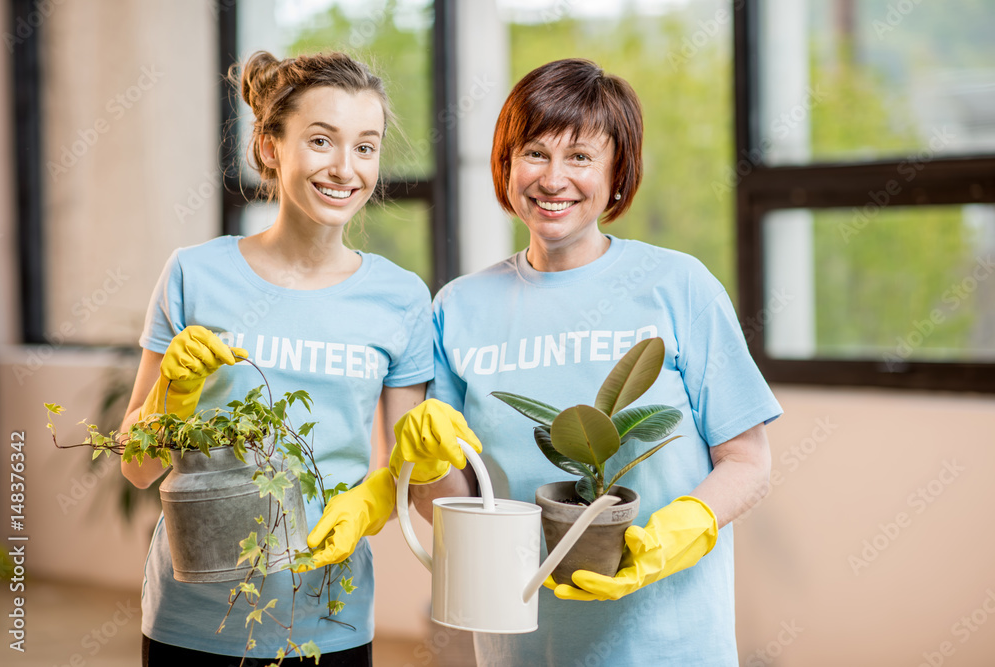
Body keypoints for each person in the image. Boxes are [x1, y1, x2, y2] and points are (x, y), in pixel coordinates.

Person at [421, 58, 784, 666]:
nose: (553, 178)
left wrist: (676, 534)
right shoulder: (458, 308)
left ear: (618, 174)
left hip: (670, 643)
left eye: (581, 157)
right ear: (506, 166)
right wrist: (423, 462)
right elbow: (450, 495)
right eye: (534, 153)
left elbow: (748, 463)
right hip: (522, 645)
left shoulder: (677, 285)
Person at [119, 50, 435, 666]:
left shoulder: (401, 299)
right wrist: (172, 399)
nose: (346, 169)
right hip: (189, 622)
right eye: (322, 140)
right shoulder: (194, 273)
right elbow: (136, 468)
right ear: (269, 146)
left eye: (366, 147)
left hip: (329, 618)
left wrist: (373, 498)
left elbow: (407, 471)